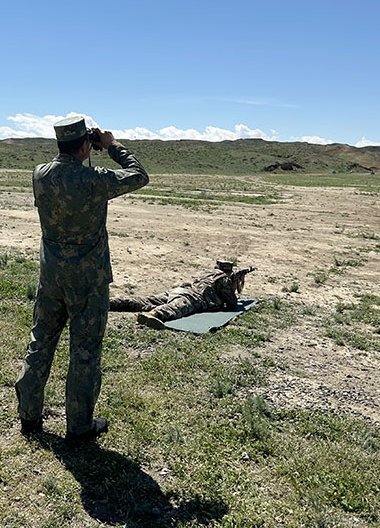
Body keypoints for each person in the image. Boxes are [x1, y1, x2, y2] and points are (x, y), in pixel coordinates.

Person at [14, 116, 149, 443]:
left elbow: (63, 169)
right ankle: (79, 425)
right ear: (86, 145)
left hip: (51, 276)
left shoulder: (40, 175)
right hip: (88, 279)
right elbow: (139, 176)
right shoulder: (94, 180)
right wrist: (113, 146)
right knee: (84, 351)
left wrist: (88, 145)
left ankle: (29, 416)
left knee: (40, 341)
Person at [110, 262, 254, 329]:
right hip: (192, 297)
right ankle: (152, 315)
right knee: (173, 309)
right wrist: (234, 286)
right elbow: (232, 304)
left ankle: (111, 302)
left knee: (144, 300)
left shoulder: (210, 274)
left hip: (179, 290)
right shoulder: (224, 280)